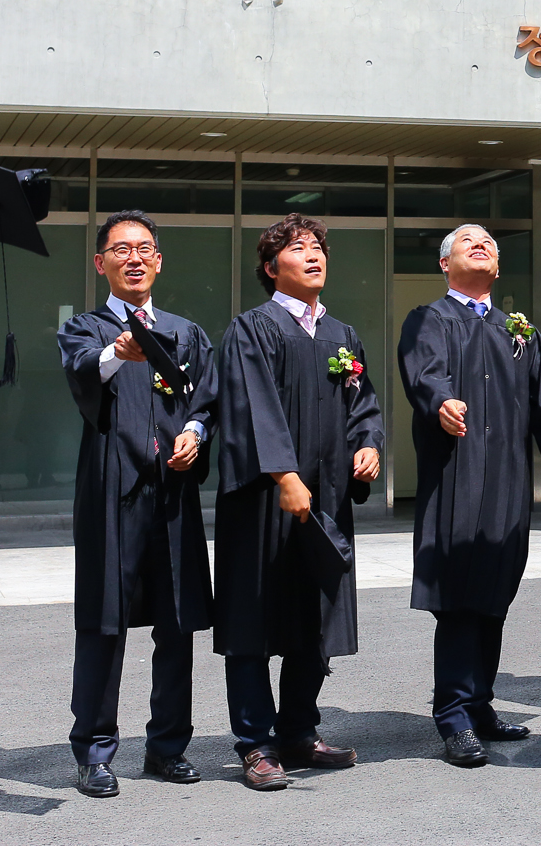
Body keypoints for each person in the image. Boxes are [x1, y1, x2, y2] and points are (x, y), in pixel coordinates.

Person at [210, 215, 384, 792]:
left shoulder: (341, 334)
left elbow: (363, 401)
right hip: (264, 500)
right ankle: (256, 744)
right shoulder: (252, 329)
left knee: (315, 614)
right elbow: (250, 408)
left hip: (327, 495)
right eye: (297, 247)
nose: (313, 255)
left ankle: (298, 731)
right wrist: (284, 474)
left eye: (318, 247)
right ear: (270, 266)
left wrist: (368, 444)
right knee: (255, 620)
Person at [399, 223, 541, 766]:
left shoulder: (517, 330)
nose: (480, 245)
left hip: (506, 479)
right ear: (444, 264)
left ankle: (479, 705)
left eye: (489, 244)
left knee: (494, 593)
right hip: (455, 475)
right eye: (467, 241)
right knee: (458, 597)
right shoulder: (429, 320)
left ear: (498, 268)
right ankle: (454, 715)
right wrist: (441, 401)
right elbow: (423, 373)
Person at [56, 212, 216, 797]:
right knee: (104, 622)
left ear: (159, 261)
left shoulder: (185, 331)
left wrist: (195, 432)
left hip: (173, 495)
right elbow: (84, 373)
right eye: (121, 249)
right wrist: (118, 352)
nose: (135, 258)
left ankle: (167, 746)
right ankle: (95, 750)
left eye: (144, 248)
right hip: (111, 491)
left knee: (177, 623)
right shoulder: (85, 328)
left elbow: (207, 399)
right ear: (101, 262)